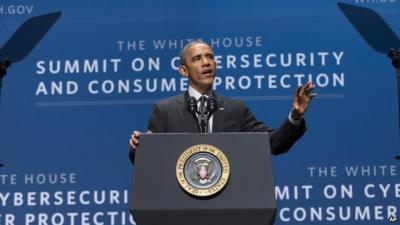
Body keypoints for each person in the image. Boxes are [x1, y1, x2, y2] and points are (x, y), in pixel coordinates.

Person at [129, 40, 316, 163]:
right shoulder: (165, 110)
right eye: (197, 58)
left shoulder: (235, 109)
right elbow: (148, 161)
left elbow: (274, 144)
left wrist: (295, 116)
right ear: (183, 71)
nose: (206, 63)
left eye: (210, 57)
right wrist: (138, 148)